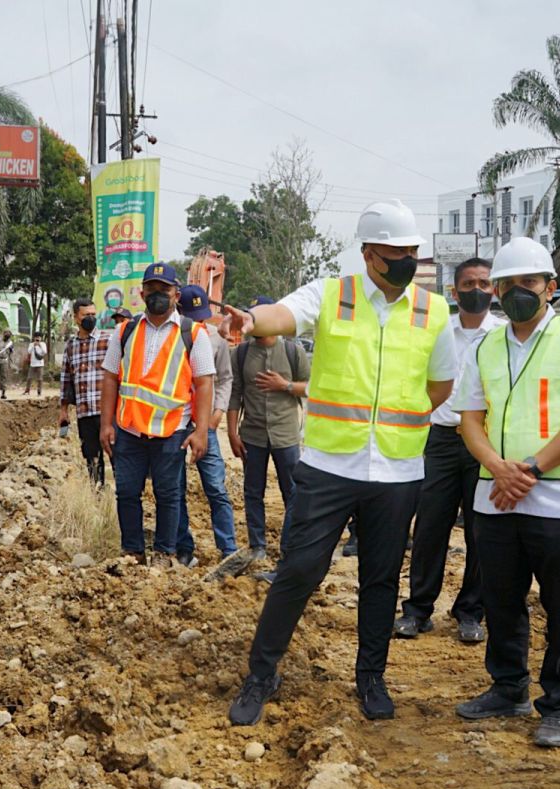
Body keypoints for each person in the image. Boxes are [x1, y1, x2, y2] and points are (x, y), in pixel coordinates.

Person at [223, 199, 457, 725]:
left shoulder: (432, 310)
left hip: (397, 471)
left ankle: (370, 677)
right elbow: (282, 315)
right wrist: (251, 318)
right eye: (397, 252)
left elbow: (441, 383)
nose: (407, 260)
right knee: (300, 569)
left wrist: (408, 417)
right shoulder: (333, 294)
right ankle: (261, 674)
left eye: (412, 252)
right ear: (370, 253)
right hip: (331, 465)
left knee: (380, 579)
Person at [453, 237, 560, 748]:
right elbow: (469, 420)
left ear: (550, 287)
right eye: (509, 284)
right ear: (497, 291)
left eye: (530, 282)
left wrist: (528, 470)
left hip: (559, 500)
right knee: (501, 601)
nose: (518, 291)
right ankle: (508, 688)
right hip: (496, 498)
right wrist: (497, 469)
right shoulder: (485, 346)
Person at [393, 257, 501, 644]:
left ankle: (471, 611)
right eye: (469, 284)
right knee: (429, 528)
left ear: (495, 289)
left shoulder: (502, 335)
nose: (477, 290)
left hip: (484, 445)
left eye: (485, 283)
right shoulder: (437, 331)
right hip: (438, 439)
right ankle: (418, 609)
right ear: (454, 292)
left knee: (480, 531)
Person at [99, 263, 215, 565]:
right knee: (126, 493)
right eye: (151, 289)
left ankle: (165, 552)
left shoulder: (193, 334)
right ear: (142, 293)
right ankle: (133, 551)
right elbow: (111, 377)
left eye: (163, 289)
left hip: (171, 431)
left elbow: (204, 384)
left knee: (168, 495)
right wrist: (105, 425)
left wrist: (200, 431)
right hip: (129, 430)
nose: (157, 295)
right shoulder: (125, 331)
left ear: (176, 294)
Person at [227, 294, 310, 566]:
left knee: (293, 492)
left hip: (285, 434)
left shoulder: (292, 351)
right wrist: (232, 433)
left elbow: (311, 387)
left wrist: (284, 385)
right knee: (253, 491)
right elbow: (235, 394)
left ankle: (291, 547)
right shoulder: (240, 354)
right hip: (252, 435)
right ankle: (257, 546)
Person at [174, 284, 237, 565]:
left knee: (215, 486)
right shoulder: (170, 339)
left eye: (202, 316)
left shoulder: (215, 340)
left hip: (206, 425)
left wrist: (218, 411)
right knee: (175, 488)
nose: (199, 323)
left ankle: (228, 547)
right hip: (176, 423)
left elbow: (225, 378)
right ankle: (183, 546)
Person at [60, 298, 112, 486]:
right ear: (76, 318)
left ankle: (122, 499)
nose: (90, 318)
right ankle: (97, 497)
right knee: (92, 459)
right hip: (84, 413)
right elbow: (66, 379)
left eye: (93, 315)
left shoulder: (109, 340)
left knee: (117, 456)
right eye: (85, 315)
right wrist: (64, 410)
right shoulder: (71, 346)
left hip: (107, 413)